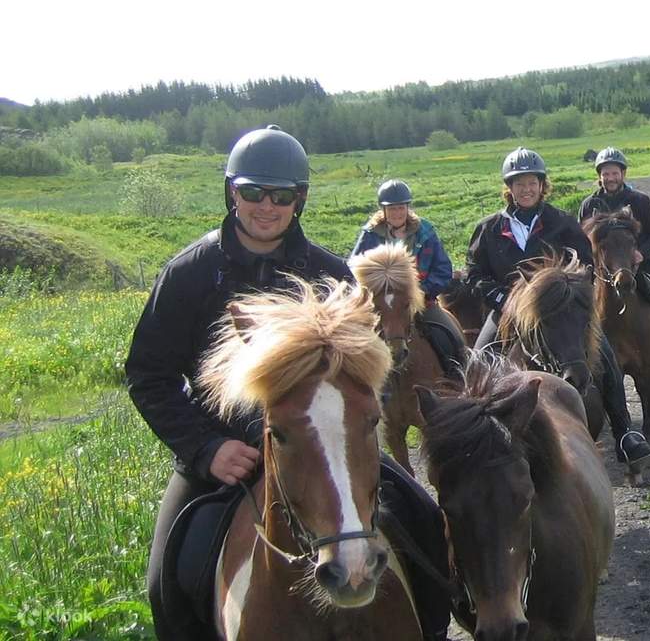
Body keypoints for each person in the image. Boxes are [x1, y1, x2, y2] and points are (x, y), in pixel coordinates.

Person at [126, 125, 451, 640]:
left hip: (328, 444)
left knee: (428, 523)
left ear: (299, 200)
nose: (266, 206)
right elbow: (148, 375)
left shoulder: (329, 273)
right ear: (232, 192)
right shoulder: (189, 273)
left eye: (281, 195)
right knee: (167, 577)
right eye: (253, 192)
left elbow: (365, 368)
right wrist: (205, 447)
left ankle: (436, 625)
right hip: (226, 453)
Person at [465, 147, 650, 469]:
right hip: (508, 313)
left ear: (542, 185)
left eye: (532, 183)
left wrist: (566, 291)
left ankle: (624, 434)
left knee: (604, 353)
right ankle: (473, 437)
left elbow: (585, 267)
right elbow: (474, 273)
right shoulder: (490, 229)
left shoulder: (562, 223)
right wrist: (503, 298)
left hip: (559, 312)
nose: (526, 189)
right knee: (479, 361)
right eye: (519, 183)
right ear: (509, 188)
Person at [578, 146, 650, 374]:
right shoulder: (589, 205)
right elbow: (581, 238)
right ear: (599, 176)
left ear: (623, 174)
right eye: (605, 174)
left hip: (639, 264)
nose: (610, 178)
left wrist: (641, 252)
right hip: (602, 268)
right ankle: (584, 357)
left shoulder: (639, 201)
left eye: (614, 173)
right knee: (577, 304)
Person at [352, 179, 467, 373]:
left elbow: (443, 269)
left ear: (408, 208)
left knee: (451, 337)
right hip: (380, 306)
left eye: (401, 208)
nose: (397, 213)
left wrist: (421, 292)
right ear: (383, 210)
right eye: (392, 209)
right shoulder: (370, 234)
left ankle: (459, 377)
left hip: (422, 303)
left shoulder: (426, 232)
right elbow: (354, 270)